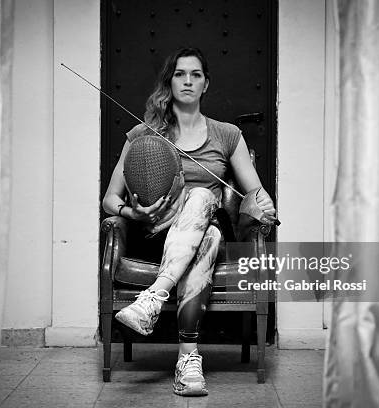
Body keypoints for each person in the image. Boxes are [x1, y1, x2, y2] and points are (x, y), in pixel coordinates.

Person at [102, 47, 276, 396]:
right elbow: (109, 199)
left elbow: (254, 193)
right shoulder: (144, 136)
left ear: (206, 84)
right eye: (180, 73)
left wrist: (263, 207)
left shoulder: (227, 135)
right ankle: (188, 361)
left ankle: (157, 301)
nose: (188, 80)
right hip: (158, 233)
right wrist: (130, 213)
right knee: (206, 231)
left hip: (210, 227)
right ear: (170, 80)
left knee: (203, 206)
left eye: (196, 74)